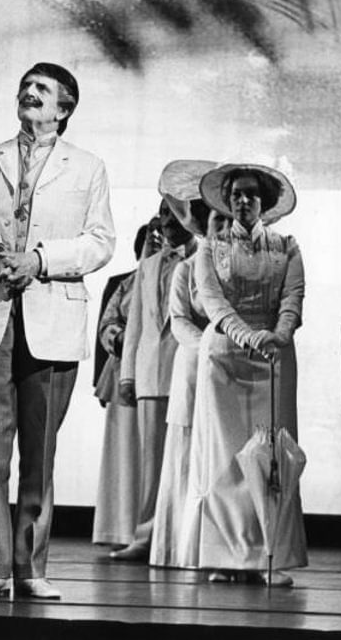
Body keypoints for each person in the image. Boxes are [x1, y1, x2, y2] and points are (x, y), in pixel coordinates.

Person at [0, 62, 115, 599]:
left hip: (52, 316)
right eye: (25, 86)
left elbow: (100, 242)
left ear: (64, 108)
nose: (29, 93)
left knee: (39, 453)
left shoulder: (86, 168)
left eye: (43, 89)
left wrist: (40, 260)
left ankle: (31, 569)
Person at [177, 163, 305, 586]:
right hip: (226, 357)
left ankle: (270, 556)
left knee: (271, 457)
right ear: (227, 201)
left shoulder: (286, 247)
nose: (243, 201)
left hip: (274, 355)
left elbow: (292, 296)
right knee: (225, 456)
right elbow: (213, 304)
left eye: (252, 194)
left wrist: (279, 334)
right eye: (236, 195)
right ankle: (226, 555)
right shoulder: (209, 251)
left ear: (264, 203)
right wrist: (247, 336)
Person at [111, 186, 198, 562]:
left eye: (174, 213)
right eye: (162, 213)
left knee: (188, 459)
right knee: (151, 463)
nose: (166, 220)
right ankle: (146, 536)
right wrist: (127, 375)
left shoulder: (203, 260)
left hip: (187, 370)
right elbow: (134, 327)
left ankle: (185, 538)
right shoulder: (147, 265)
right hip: (149, 373)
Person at [143, 159, 218, 568]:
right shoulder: (186, 269)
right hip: (195, 366)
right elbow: (180, 322)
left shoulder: (233, 263)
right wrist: (211, 347)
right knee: (187, 449)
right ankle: (181, 545)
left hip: (229, 368)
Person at [92, 224, 154, 548]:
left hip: (157, 372)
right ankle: (119, 528)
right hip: (120, 375)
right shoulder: (121, 282)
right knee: (123, 451)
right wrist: (97, 382)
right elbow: (104, 325)